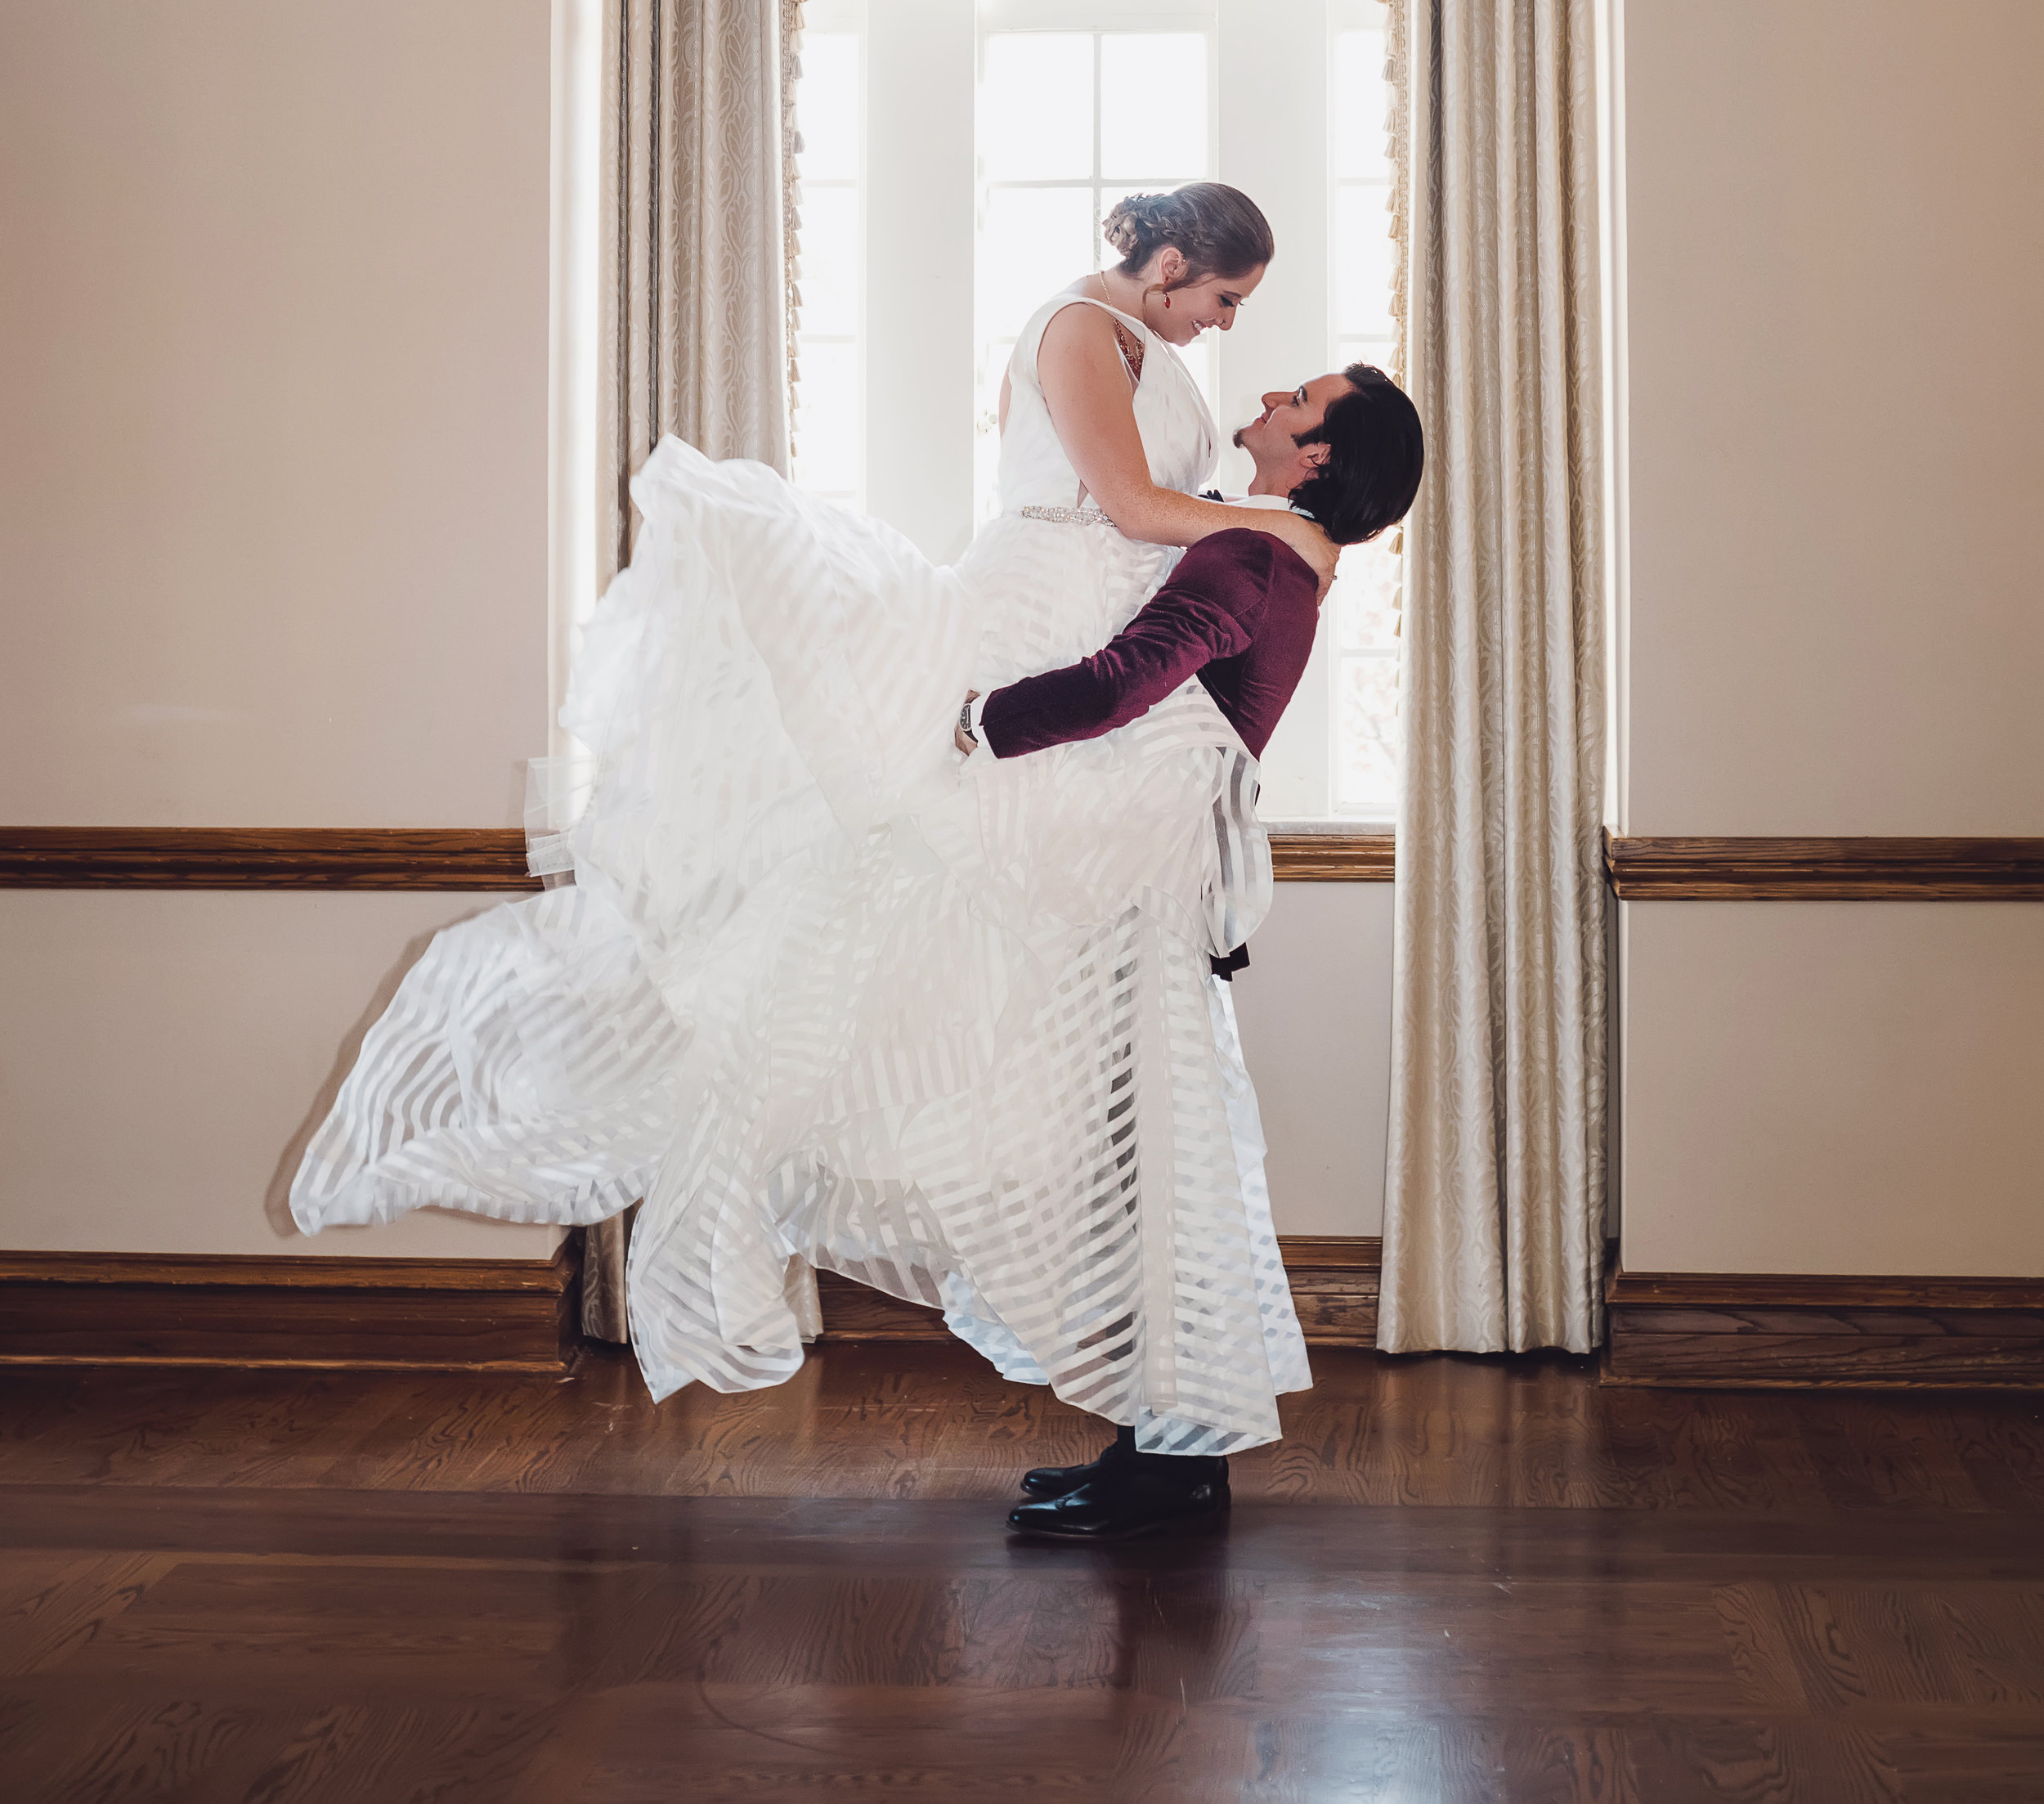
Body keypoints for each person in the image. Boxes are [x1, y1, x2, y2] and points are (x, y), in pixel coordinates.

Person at [288, 185, 1407, 1519]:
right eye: (1227, 301)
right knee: (1032, 1051)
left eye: (1268, 353)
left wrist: (1009, 711)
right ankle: (1164, 1433)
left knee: (1118, 1107)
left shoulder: (1241, 520)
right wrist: (1257, 526)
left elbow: (1137, 651)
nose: (1236, 347)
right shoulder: (1113, 372)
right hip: (1056, 700)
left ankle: (1170, 1440)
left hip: (1086, 754)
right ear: (1169, 264)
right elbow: (1119, 503)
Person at [954, 361, 1425, 1539]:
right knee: (1150, 1176)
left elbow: (1123, 684)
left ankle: (1172, 1470)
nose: (1267, 395)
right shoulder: (1271, 547)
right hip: (1160, 881)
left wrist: (975, 722)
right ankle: (1158, 1452)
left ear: (1317, 460)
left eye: (1297, 402)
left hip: (1147, 895)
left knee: (1154, 1180)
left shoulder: (1253, 555)